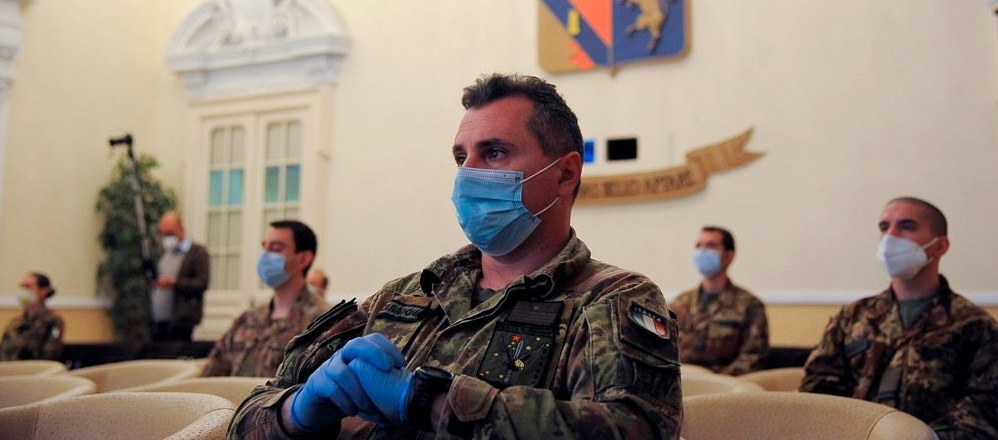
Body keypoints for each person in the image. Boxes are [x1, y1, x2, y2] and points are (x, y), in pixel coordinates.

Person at [229, 73, 681, 440]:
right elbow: (247, 417)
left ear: (565, 174)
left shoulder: (611, 300)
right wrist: (296, 413)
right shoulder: (402, 297)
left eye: (494, 153)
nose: (467, 174)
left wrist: (430, 401)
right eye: (461, 157)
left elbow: (635, 428)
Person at [800, 197, 998, 439]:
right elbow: (817, 391)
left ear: (940, 247)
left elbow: (985, 412)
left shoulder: (975, 326)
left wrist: (922, 437)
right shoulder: (852, 317)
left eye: (906, 226)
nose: (890, 236)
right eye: (884, 227)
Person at [202, 220, 329, 377]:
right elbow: (211, 374)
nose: (265, 255)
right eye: (264, 247)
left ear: (303, 259)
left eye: (275, 248)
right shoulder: (248, 319)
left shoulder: (323, 321)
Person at [669, 226, 768, 375]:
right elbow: (664, 350)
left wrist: (715, 382)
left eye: (710, 245)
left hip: (725, 384)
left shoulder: (749, 305)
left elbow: (753, 358)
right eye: (699, 246)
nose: (702, 252)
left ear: (729, 256)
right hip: (683, 380)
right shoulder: (681, 303)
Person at [151, 211, 211, 341]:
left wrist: (174, 282)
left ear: (181, 230)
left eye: (169, 234)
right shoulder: (166, 254)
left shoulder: (197, 253)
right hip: (161, 319)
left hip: (182, 320)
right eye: (163, 234)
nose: (166, 238)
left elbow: (202, 283)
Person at [0, 272, 65, 361]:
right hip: (10, 367)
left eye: (28, 287)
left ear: (43, 291)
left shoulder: (53, 320)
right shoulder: (15, 323)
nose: (23, 291)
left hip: (35, 367)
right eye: (22, 287)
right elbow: (4, 351)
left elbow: (51, 351)